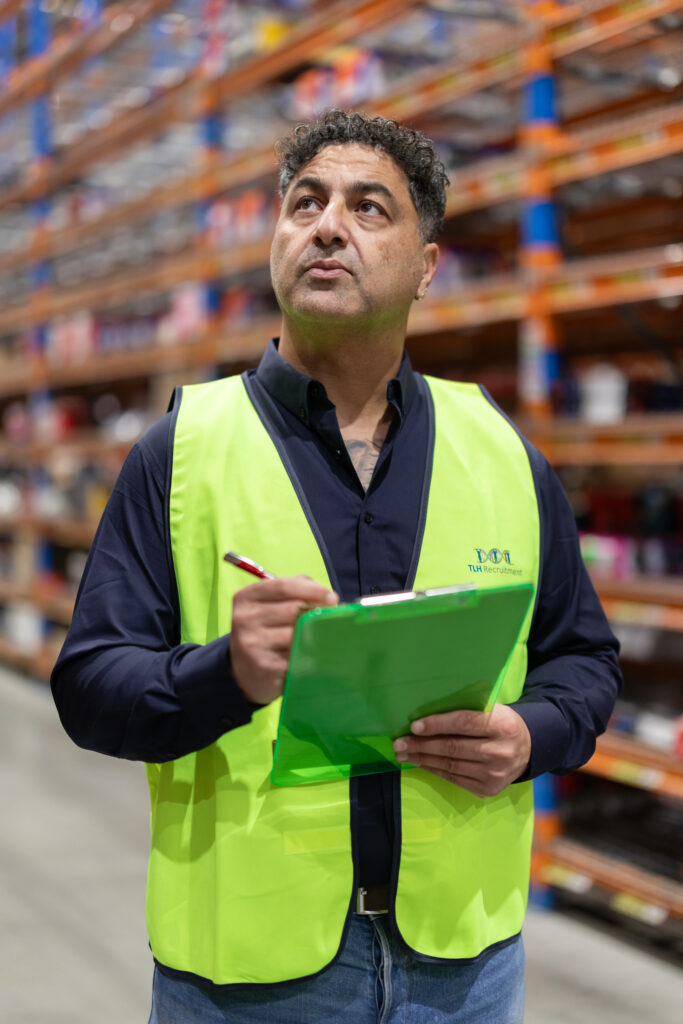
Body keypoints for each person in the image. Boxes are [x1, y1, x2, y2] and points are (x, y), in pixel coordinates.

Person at [51, 109, 621, 1024]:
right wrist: (224, 672)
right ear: (276, 240)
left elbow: (584, 659)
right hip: (250, 973)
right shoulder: (183, 452)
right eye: (304, 202)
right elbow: (89, 688)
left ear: (426, 266)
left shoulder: (502, 454)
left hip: (462, 969)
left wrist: (531, 736)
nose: (327, 225)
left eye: (368, 208)